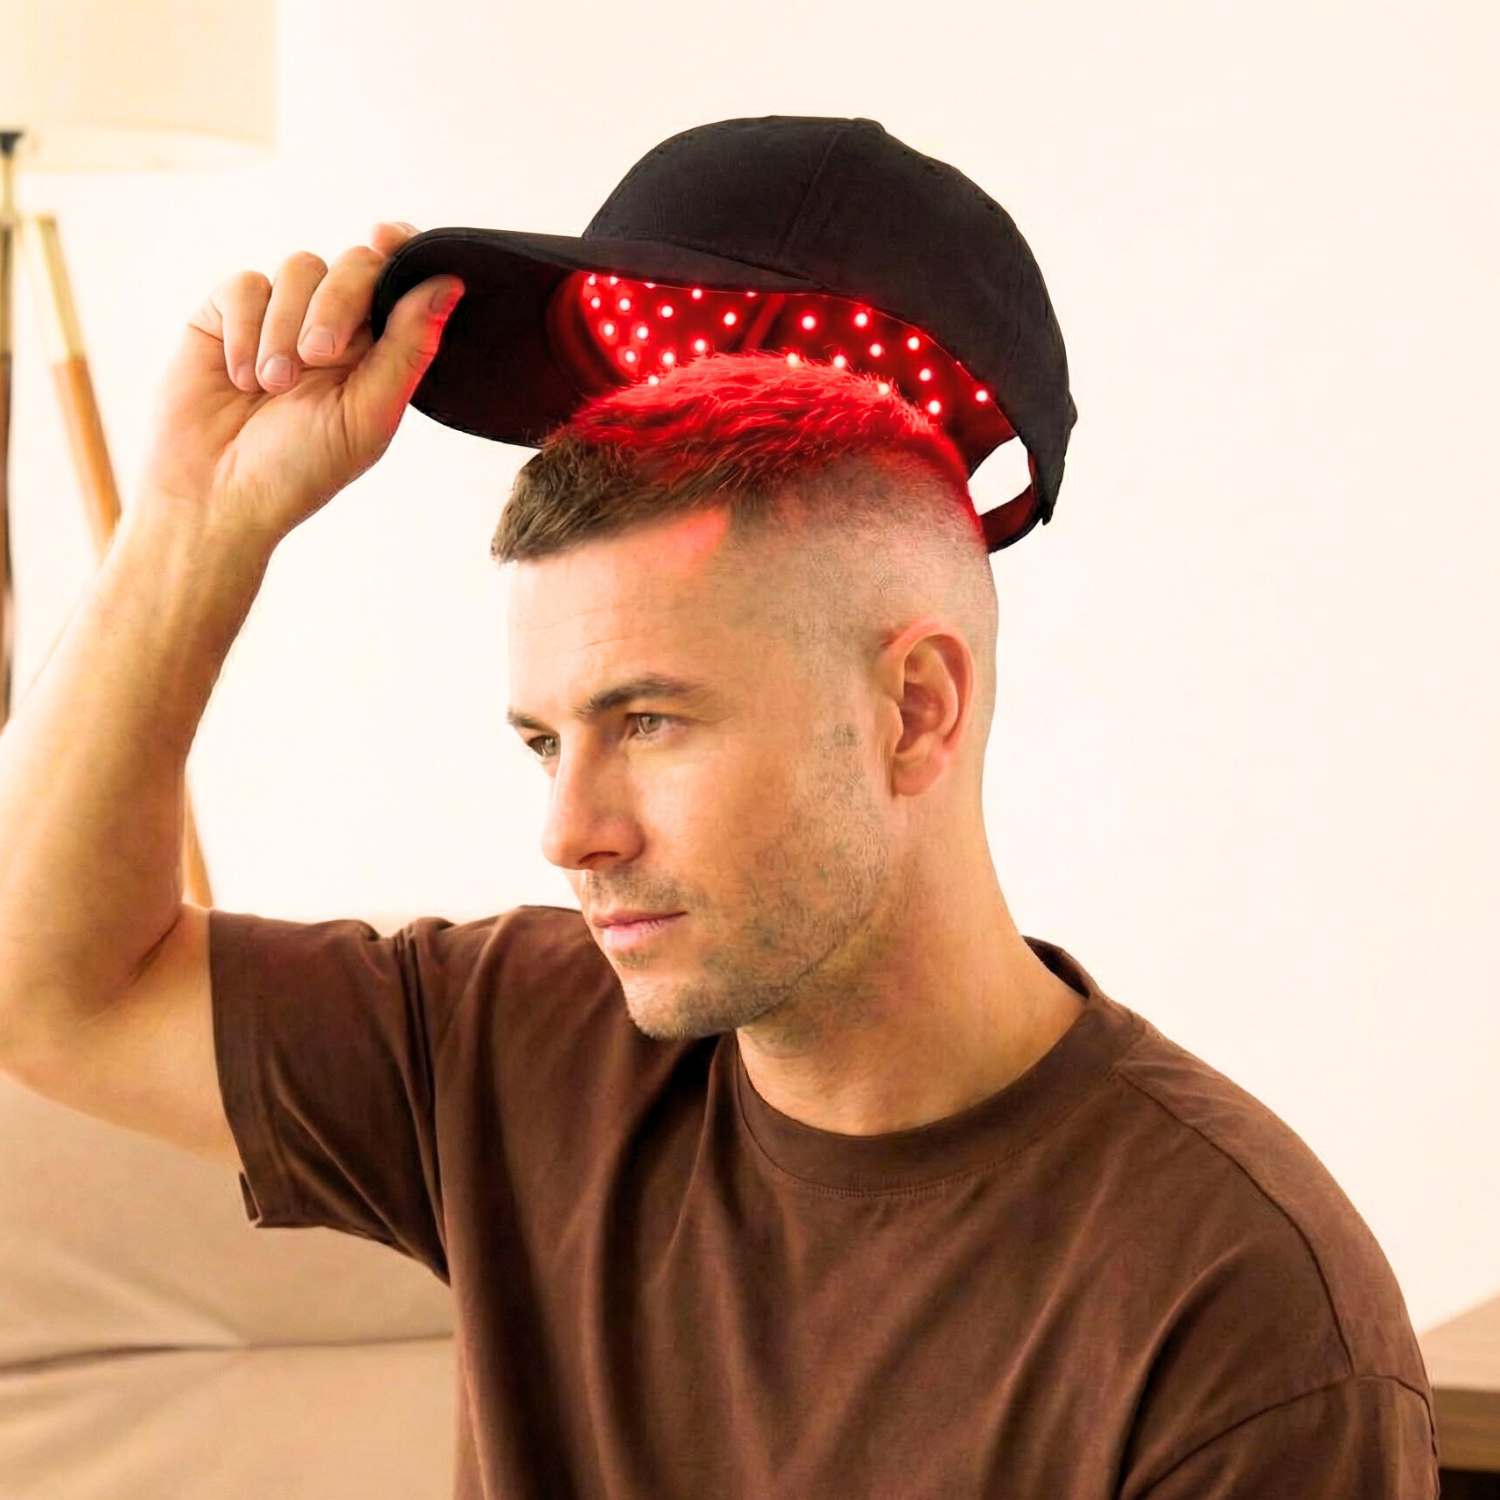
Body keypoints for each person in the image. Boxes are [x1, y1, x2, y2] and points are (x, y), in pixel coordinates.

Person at [0, 222, 1439, 1498]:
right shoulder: (516, 1039)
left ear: (913, 712)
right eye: (542, 742)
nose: (570, 833)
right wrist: (196, 524)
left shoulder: (1237, 1317)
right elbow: (54, 987)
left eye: (649, 721)